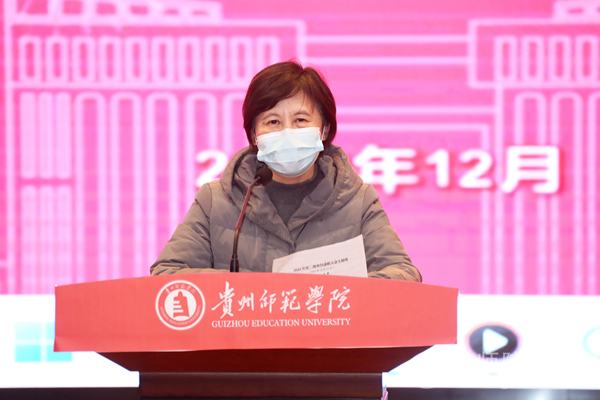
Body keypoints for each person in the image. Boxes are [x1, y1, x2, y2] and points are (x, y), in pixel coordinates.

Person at [150, 60, 422, 282]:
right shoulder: (216, 200)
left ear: (324, 129)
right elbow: (167, 274)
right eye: (273, 122)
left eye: (301, 120)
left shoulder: (358, 201)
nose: (287, 132)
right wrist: (259, 290)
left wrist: (334, 291)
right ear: (254, 134)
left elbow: (404, 275)